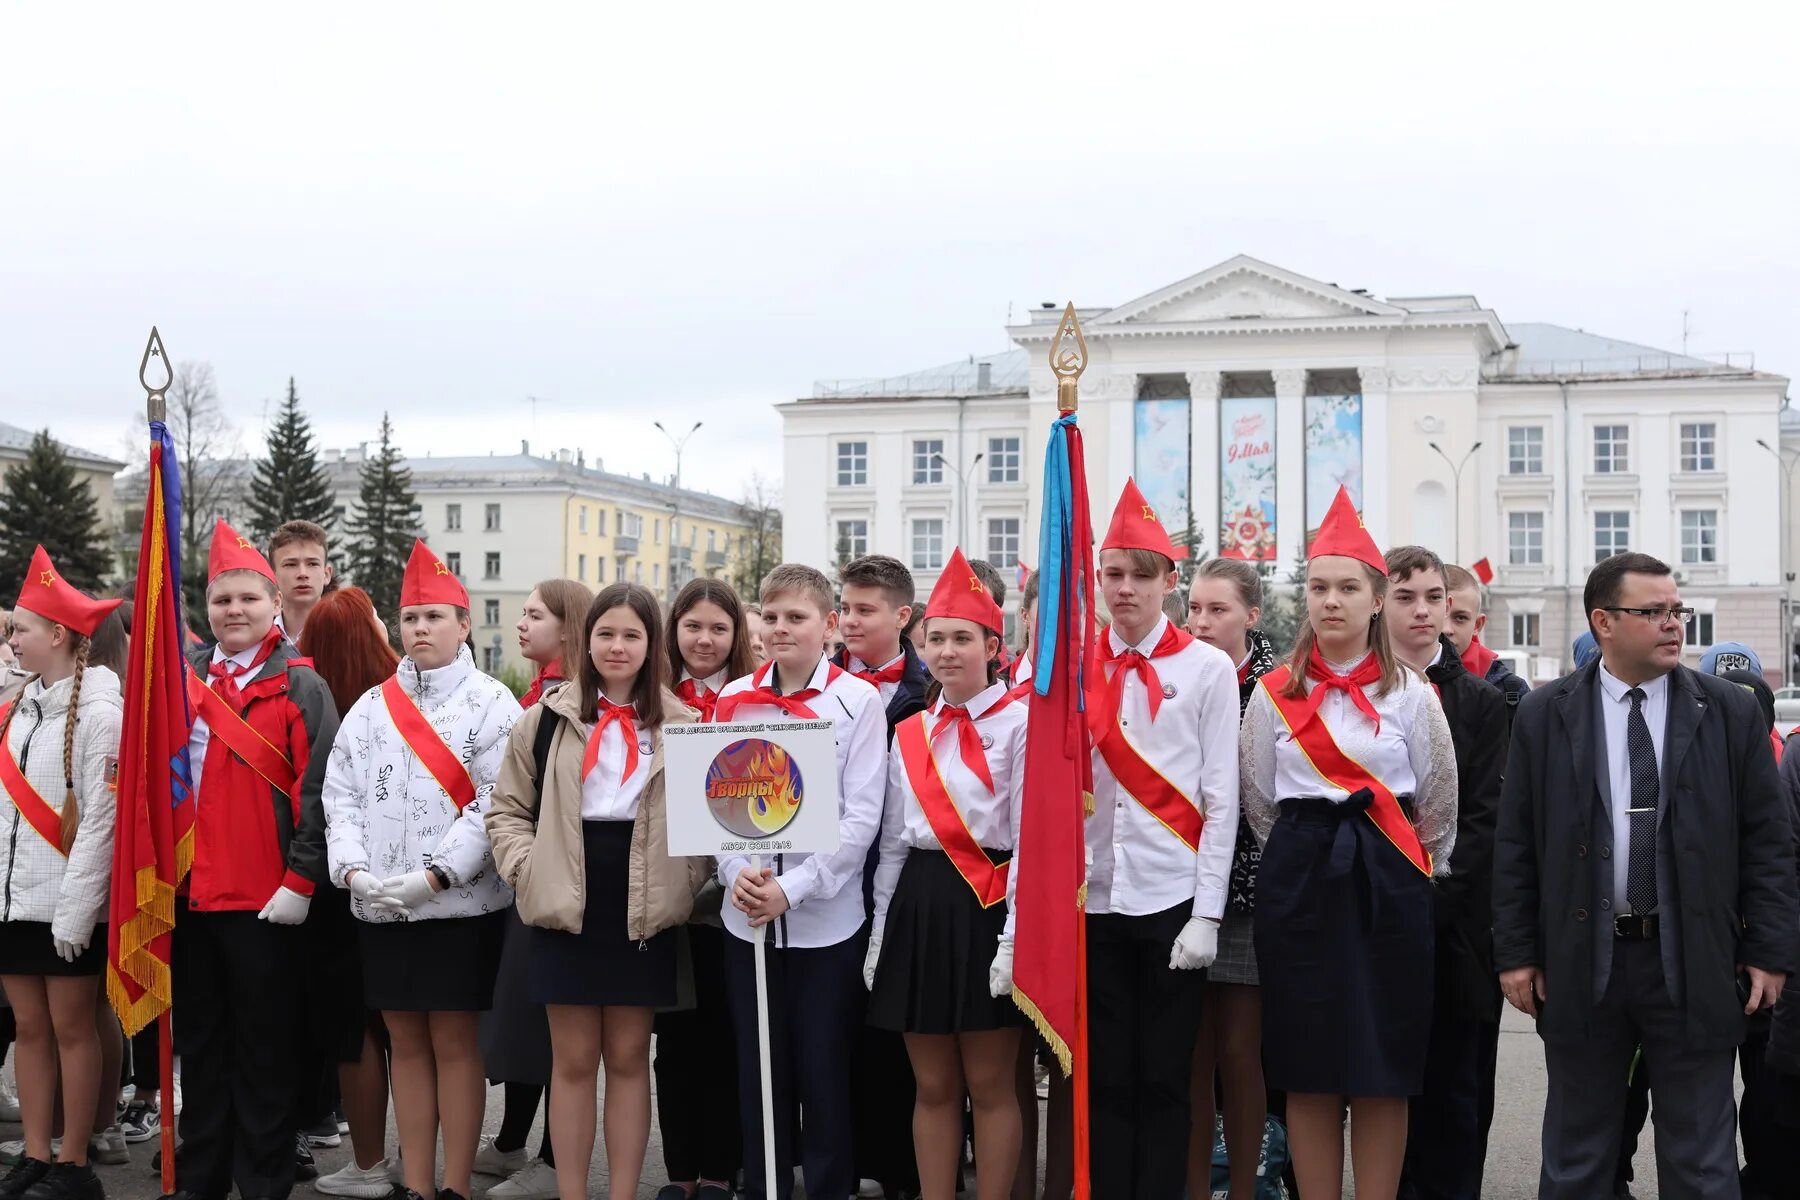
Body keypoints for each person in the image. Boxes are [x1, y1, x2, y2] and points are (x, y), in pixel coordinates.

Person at [1493, 550, 1798, 1199]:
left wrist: (1770, 951)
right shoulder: (1546, 716)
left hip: (1694, 962)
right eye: (1652, 612)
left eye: (1676, 610)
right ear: (1603, 621)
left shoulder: (1728, 712)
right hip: (1584, 965)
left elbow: (1768, 842)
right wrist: (1517, 952)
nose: (1673, 624)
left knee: (1702, 1162)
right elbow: (1516, 842)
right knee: (1578, 1159)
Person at [1240, 489, 1457, 1200]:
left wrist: (1396, 865)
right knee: (1307, 1062)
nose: (1330, 601)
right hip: (1300, 878)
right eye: (1318, 586)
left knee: (1381, 1061)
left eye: (1347, 588)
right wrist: (1304, 854)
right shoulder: (1272, 693)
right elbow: (1262, 801)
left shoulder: (1414, 696)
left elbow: (1437, 807)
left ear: (1375, 600)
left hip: (1388, 877)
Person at [486, 583, 706, 1200]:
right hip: (565, 896)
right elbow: (505, 811)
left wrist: (684, 885)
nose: (617, 646)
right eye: (606, 633)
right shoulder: (548, 718)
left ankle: (623, 1194)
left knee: (631, 1059)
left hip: (644, 898)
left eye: (631, 634)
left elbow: (706, 825)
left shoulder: (684, 724)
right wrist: (529, 872)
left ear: (651, 643)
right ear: (587, 640)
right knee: (574, 1061)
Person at [321, 540, 520, 1200]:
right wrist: (350, 869)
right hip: (381, 904)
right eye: (410, 618)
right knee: (404, 1042)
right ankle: (418, 1185)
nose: (420, 630)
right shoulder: (371, 707)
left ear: (464, 624)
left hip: (459, 909)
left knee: (455, 1043)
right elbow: (340, 791)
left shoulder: (495, 703)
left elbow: (497, 800)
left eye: (435, 617)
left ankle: (455, 1185)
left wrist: (437, 876)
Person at [169, 520, 339, 1200]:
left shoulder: (302, 686)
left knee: (267, 1052)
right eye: (221, 601)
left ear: (273, 605)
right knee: (201, 1052)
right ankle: (201, 1177)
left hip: (267, 902)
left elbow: (321, 790)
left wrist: (301, 879)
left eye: (246, 599)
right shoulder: (180, 684)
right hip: (192, 896)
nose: (233, 611)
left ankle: (263, 1180)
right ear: (206, 610)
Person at [1083, 479, 1240, 1199]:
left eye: (1140, 575)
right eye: (1111, 574)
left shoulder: (1206, 668)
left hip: (1171, 899)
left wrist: (1207, 912)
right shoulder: (1074, 668)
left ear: (1170, 580)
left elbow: (1220, 796)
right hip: (1093, 899)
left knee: (1166, 1079)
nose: (1123, 589)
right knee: (1105, 1077)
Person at [713, 564, 886, 1200]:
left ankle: (830, 1187)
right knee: (760, 1072)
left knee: (823, 1071)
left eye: (798, 618)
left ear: (830, 626)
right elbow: (717, 803)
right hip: (748, 921)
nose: (782, 629)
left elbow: (863, 813)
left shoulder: (858, 701)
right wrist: (738, 875)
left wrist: (799, 886)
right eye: (773, 616)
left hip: (825, 923)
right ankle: (763, 1188)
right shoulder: (733, 698)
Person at [866, 548, 1026, 1200]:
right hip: (921, 906)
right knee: (931, 1086)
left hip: (990, 906)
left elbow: (1033, 842)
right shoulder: (909, 730)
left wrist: (1017, 940)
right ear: (921, 644)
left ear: (994, 645)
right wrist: (880, 936)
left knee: (990, 1086)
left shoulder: (1023, 724)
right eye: (938, 638)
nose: (950, 651)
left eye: (965, 638)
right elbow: (893, 846)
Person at [1381, 546, 1509, 1200]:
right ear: (1381, 602)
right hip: (1365, 926)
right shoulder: (1348, 696)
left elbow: (1484, 822)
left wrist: (1422, 903)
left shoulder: (1481, 704)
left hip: (1453, 930)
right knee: (1378, 1092)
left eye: (1435, 598)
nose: (1424, 611)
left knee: (1457, 1097)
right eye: (1406, 597)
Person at [0, 547, 123, 1200]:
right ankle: (39, 1152)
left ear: (58, 635)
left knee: (73, 1029)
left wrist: (77, 913)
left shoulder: (102, 714)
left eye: (20, 628)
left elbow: (100, 824)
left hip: (65, 908)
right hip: (13, 903)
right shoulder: (17, 708)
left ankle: (75, 1163)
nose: (11, 637)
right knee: (29, 1029)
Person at [478, 579, 592, 1200]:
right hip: (529, 875)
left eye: (534, 615)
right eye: (520, 615)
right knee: (523, 1016)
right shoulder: (535, 692)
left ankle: (552, 1156)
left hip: (560, 880)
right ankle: (512, 1141)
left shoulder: (574, 699)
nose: (521, 625)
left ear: (569, 626)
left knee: (553, 1028)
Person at [651, 578, 755, 1200]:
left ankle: (721, 1170)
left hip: (738, 896)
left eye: (719, 628)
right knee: (676, 1046)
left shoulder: (753, 701)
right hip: (671, 894)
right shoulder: (650, 699)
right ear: (674, 631)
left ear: (737, 634)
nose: (705, 640)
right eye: (693, 626)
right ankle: (679, 1173)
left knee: (728, 1038)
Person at [297, 588, 400, 1199]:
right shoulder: (398, 698)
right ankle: (414, 1160)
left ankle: (367, 1163)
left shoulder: (307, 696)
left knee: (354, 1033)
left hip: (331, 885)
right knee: (409, 1034)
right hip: (406, 883)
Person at [1181, 556, 1279, 1200]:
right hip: (1180, 884)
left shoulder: (1279, 686)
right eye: (1194, 609)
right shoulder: (1177, 676)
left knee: (1241, 1054)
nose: (1204, 622)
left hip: (1250, 889)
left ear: (1252, 615)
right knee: (1192, 1058)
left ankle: (1244, 1187)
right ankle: (1191, 1187)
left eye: (1219, 610)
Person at [831, 554, 926, 1200]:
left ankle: (901, 1169)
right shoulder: (821, 683)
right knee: (837, 1026)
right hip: (832, 873)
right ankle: (841, 1158)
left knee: (897, 1029)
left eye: (866, 610)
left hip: (904, 876)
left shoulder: (933, 687)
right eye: (845, 608)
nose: (850, 621)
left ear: (903, 615)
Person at [1441, 564, 1528, 711]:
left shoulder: (1510, 691)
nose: (1446, 629)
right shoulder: (1393, 680)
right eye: (1440, 615)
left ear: (1477, 625)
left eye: (1460, 618)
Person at [515, 581, 594, 710]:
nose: (520, 624)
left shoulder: (564, 696)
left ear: (567, 629)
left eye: (534, 617)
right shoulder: (546, 686)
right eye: (524, 614)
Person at [268, 521, 334, 644]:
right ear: (273, 575)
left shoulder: (349, 632)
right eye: (291, 564)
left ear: (326, 574)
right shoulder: (257, 639)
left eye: (313, 564)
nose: (302, 573)